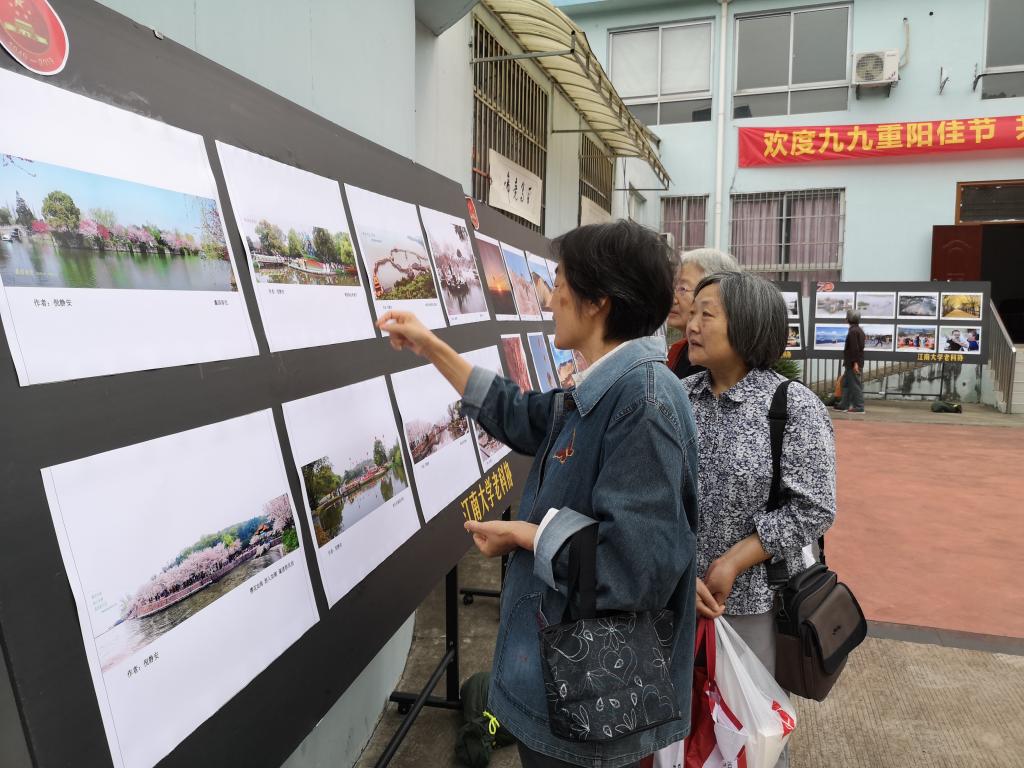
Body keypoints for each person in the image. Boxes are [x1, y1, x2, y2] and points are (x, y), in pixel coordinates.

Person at [378, 221, 699, 768]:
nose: (549, 300)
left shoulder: (643, 405)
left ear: (598, 302)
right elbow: (522, 415)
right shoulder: (608, 387)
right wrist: (432, 347)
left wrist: (526, 534)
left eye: (560, 283)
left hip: (585, 707)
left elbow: (631, 568)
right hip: (558, 687)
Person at [684, 271, 836, 768]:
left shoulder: (793, 407)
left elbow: (815, 507)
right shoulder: (679, 398)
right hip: (676, 598)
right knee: (683, 733)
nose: (691, 324)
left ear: (747, 325)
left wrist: (734, 560)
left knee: (751, 735)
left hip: (753, 606)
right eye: (691, 312)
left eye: (707, 314)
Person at [665, 248, 741, 379]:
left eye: (682, 289)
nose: (673, 299)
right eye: (673, 288)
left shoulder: (732, 365)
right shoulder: (677, 351)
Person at [838, 310, 866, 413]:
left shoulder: (853, 331)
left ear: (848, 319)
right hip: (852, 362)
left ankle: (859, 406)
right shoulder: (859, 330)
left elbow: (855, 348)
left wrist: (855, 363)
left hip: (853, 363)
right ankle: (843, 404)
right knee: (846, 384)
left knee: (855, 385)